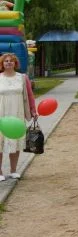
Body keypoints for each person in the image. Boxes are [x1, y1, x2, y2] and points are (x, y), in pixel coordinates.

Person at [0, 53, 37, 181]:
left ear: (15, 63)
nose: (8, 63)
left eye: (11, 61)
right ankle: (0, 173)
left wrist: (33, 111)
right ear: (2, 64)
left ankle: (13, 170)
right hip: (1, 114)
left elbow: (30, 96)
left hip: (17, 113)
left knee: (15, 142)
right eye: (6, 61)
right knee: (0, 143)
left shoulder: (22, 78)